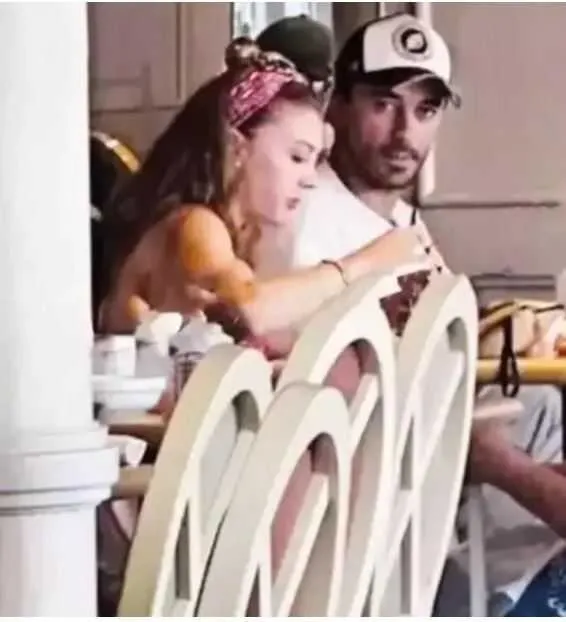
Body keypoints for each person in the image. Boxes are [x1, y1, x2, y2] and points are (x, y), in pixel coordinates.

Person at [260, 11, 565, 616]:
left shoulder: (401, 220)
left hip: (440, 444)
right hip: (364, 479)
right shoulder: (303, 214)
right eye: (384, 104)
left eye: (425, 110)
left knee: (542, 404)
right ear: (337, 104)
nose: (405, 132)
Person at [95, 38, 425, 347]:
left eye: (315, 161)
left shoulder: (242, 240)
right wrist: (367, 262)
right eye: (297, 157)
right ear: (238, 149)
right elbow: (250, 310)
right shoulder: (194, 224)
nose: (309, 179)